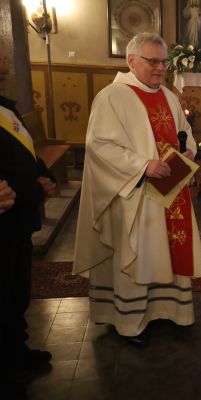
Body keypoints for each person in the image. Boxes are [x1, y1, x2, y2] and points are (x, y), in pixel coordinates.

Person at [73, 33, 201, 344]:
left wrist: (190, 152)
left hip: (170, 193)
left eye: (164, 62)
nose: (161, 68)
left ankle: (170, 311)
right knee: (139, 252)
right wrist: (141, 165)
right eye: (153, 61)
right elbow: (99, 146)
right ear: (131, 61)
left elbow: (185, 133)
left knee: (168, 250)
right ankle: (130, 320)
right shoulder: (112, 97)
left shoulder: (170, 96)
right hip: (135, 194)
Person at [0, 45, 56, 395]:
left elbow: (25, 149)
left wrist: (43, 173)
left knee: (17, 292)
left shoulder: (6, 108)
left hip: (17, 221)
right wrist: (34, 187)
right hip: (5, 218)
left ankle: (17, 353)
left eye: (4, 57)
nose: (4, 64)